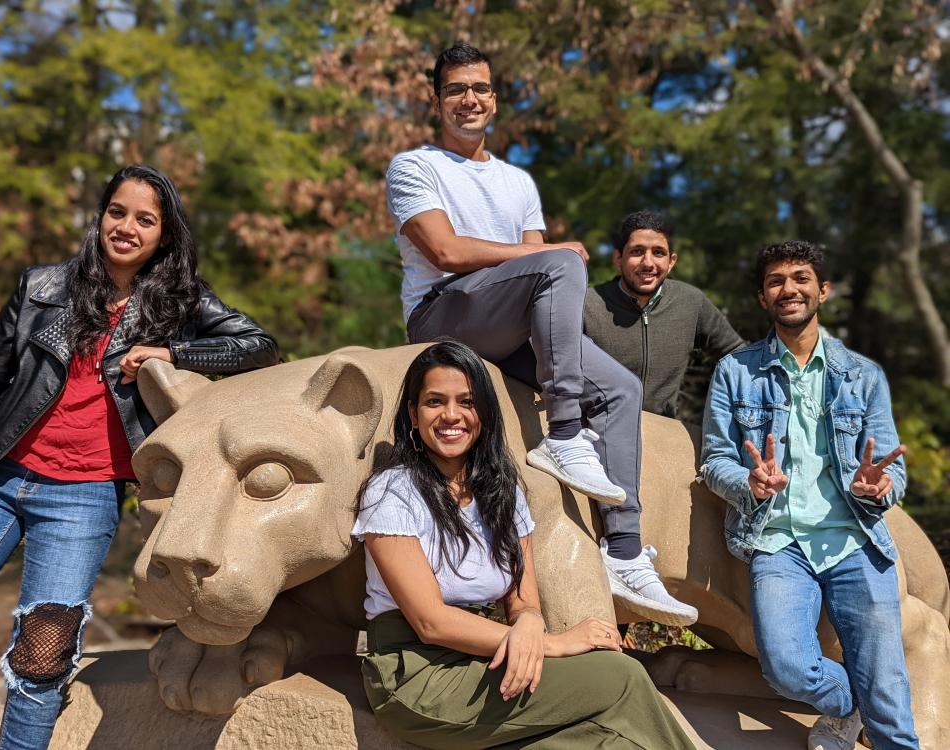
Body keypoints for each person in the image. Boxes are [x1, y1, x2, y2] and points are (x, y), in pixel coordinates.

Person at [0, 164, 279, 750]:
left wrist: (172, 350)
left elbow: (258, 347)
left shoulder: (180, 304)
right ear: (100, 216)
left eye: (145, 219)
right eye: (117, 212)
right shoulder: (40, 288)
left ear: (164, 235)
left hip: (82, 497)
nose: (126, 227)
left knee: (41, 660)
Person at [387, 41, 696, 626]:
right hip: (441, 316)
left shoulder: (518, 182)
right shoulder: (414, 166)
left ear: (495, 100)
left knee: (621, 388)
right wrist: (554, 252)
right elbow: (446, 251)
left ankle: (625, 555)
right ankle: (563, 432)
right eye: (455, 89)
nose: (469, 99)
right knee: (561, 262)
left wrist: (550, 258)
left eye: (479, 88)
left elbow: (534, 279)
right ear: (436, 102)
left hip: (507, 320)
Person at [353, 340, 696, 749]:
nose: (451, 415)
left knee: (612, 743)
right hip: (418, 675)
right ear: (413, 413)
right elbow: (431, 623)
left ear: (485, 412)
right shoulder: (392, 492)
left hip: (489, 656)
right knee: (621, 677)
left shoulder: (503, 492)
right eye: (434, 402)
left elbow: (523, 600)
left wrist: (531, 624)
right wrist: (553, 643)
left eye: (466, 401)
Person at [700, 241, 918, 750]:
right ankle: (849, 708)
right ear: (762, 298)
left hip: (854, 538)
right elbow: (714, 460)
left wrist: (880, 487)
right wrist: (748, 484)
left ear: (823, 290)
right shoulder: (736, 372)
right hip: (776, 539)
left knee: (889, 690)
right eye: (776, 281)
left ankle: (878, 716)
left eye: (801, 278)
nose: (788, 289)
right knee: (787, 669)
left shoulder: (863, 375)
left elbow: (893, 469)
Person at [584, 210, 744, 419]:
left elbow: (736, 355)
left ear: (671, 262)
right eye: (637, 251)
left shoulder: (691, 301)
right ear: (618, 258)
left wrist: (724, 412)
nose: (648, 263)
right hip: (595, 429)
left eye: (658, 252)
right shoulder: (586, 303)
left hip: (663, 432)